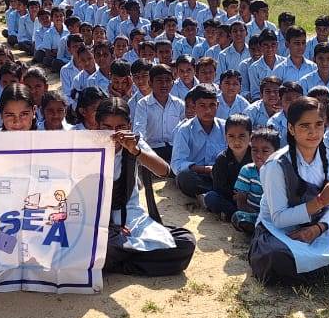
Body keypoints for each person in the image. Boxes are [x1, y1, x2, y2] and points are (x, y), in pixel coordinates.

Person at [248, 97, 329, 285]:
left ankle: (320, 264)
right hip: (283, 234)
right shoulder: (276, 165)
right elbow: (279, 219)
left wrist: (318, 228)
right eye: (305, 126)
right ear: (291, 129)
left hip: (319, 230)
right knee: (276, 258)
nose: (313, 132)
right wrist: (319, 201)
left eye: (318, 124)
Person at [98, 98, 197, 277]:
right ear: (97, 127)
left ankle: (117, 262)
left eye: (120, 127)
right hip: (99, 222)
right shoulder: (87, 146)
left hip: (132, 218)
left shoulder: (134, 143)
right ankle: (124, 256)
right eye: (107, 128)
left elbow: (164, 171)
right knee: (103, 245)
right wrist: (111, 227)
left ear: (129, 126)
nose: (114, 134)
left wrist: (135, 151)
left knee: (185, 242)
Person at [170, 85, 227, 199]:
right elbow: (177, 164)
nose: (208, 110)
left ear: (218, 105)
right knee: (184, 177)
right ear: (194, 107)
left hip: (220, 175)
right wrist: (205, 169)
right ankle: (216, 194)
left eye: (212, 105)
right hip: (197, 175)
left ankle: (210, 196)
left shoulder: (225, 127)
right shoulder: (185, 130)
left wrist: (218, 170)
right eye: (202, 105)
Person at [203, 114, 251, 220]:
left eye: (242, 136)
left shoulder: (256, 157)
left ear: (250, 136)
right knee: (211, 197)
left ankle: (238, 216)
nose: (236, 141)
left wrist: (246, 196)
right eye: (231, 136)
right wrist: (235, 196)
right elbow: (219, 188)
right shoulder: (222, 159)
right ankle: (236, 215)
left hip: (252, 200)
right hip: (230, 199)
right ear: (225, 137)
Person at [231, 127, 276, 233]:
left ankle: (265, 231)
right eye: (254, 150)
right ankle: (262, 231)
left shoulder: (281, 172)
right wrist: (259, 216)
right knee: (238, 217)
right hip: (254, 214)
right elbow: (241, 203)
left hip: (274, 218)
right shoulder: (247, 170)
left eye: (265, 151)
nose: (259, 155)